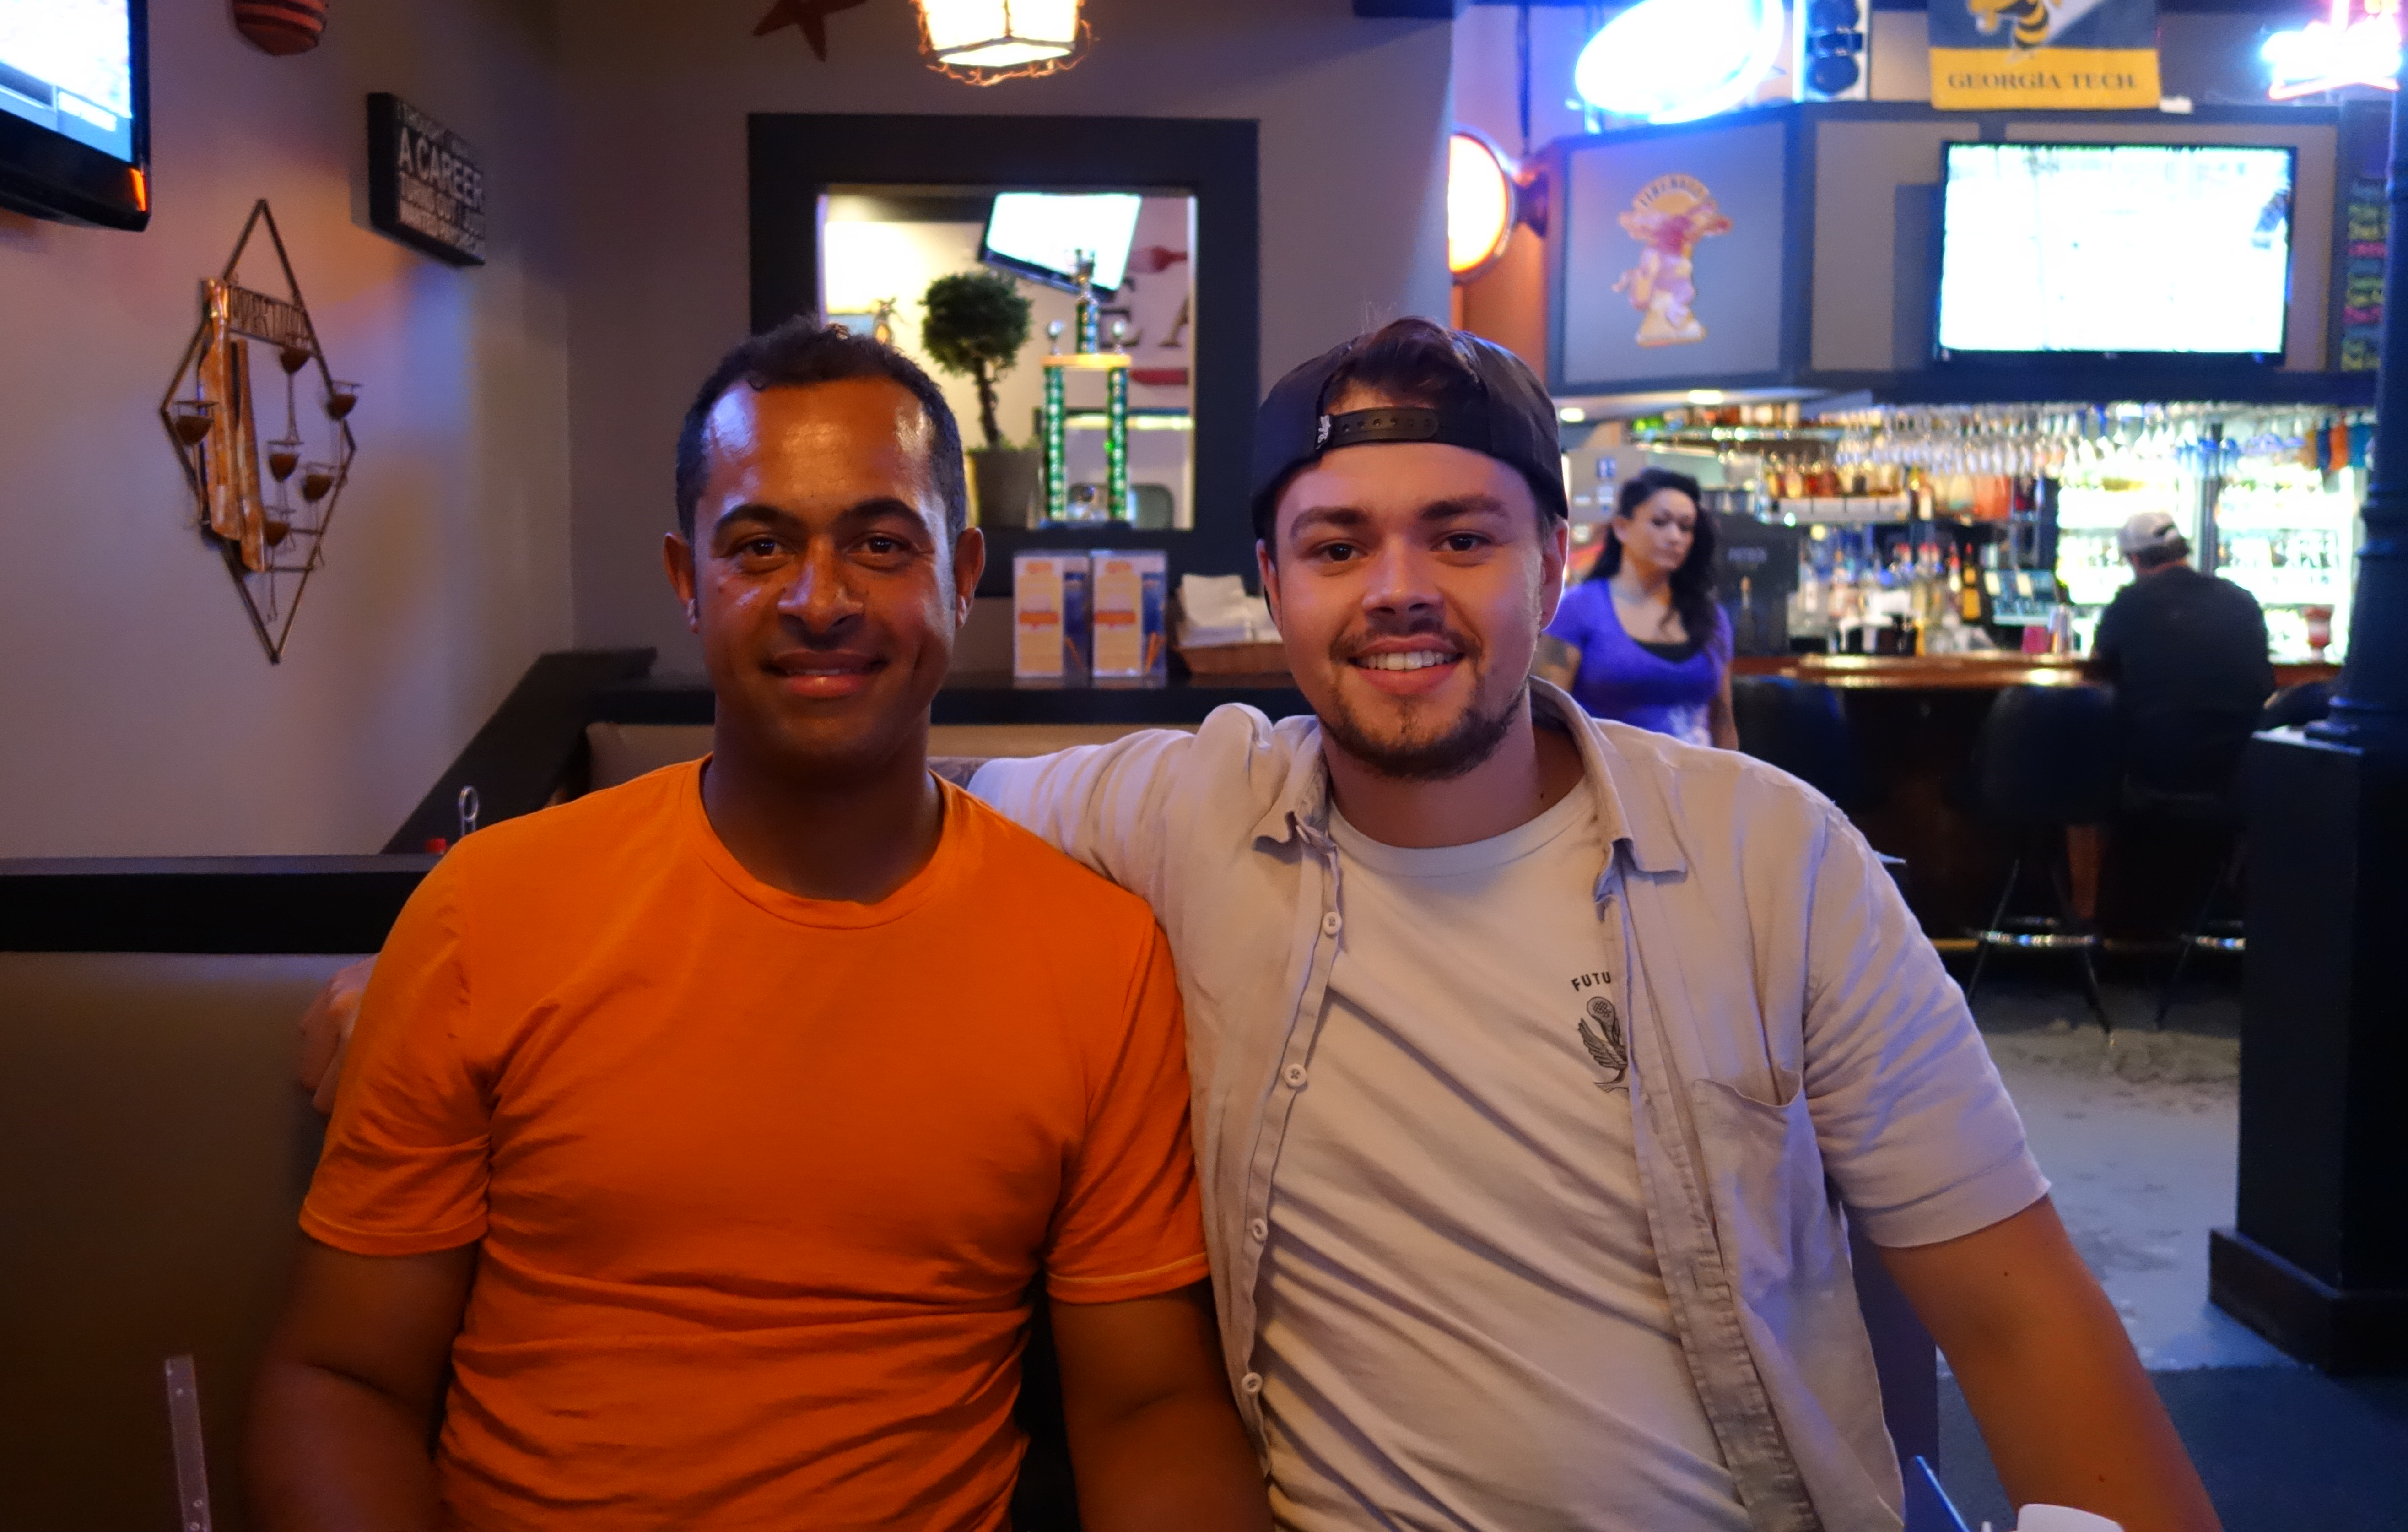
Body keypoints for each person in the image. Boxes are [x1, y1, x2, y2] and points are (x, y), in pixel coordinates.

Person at [308, 321, 2218, 1532]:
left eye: (1462, 533)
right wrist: (429, 953)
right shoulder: (1182, 812)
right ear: (1270, 588)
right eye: (1338, 542)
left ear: (1553, 560)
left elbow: (2021, 1314)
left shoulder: (1772, 859)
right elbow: (844, 810)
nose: (1401, 590)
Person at [249, 320, 1269, 1532]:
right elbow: (342, 1380)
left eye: (881, 544)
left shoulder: (1098, 957)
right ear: (688, 581)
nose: (819, 599)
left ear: (962, 573)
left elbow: (1148, 1407)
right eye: (760, 546)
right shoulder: (490, 909)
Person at [1535, 466, 1738, 747]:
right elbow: (1544, 723)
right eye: (1660, 522)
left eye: (1685, 527)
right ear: (1622, 528)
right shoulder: (1578, 609)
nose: (1675, 537)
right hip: (1607, 770)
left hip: (1698, 772)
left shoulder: (1710, 616)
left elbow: (1723, 722)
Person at [2089, 511, 2275, 799]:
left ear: (2135, 560)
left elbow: (2096, 666)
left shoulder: (2129, 604)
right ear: (2183, 552)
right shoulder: (2240, 599)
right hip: (2240, 769)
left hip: (2157, 769)